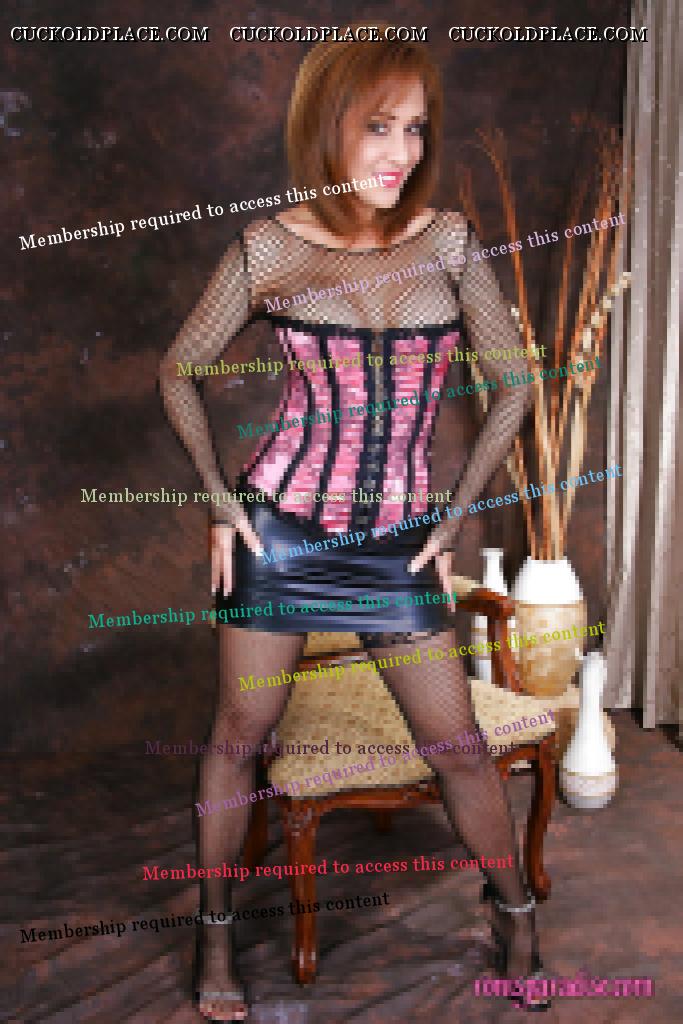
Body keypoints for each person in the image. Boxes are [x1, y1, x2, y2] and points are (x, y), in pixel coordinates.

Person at [160, 30, 549, 1022]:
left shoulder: (448, 242)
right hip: (283, 534)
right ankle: (215, 933)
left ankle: (514, 914)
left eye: (414, 129)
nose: (401, 151)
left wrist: (454, 514)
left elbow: (512, 383)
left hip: (394, 546)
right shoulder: (269, 249)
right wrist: (217, 499)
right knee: (239, 733)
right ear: (326, 126)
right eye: (379, 126)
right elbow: (179, 370)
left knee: (457, 745)